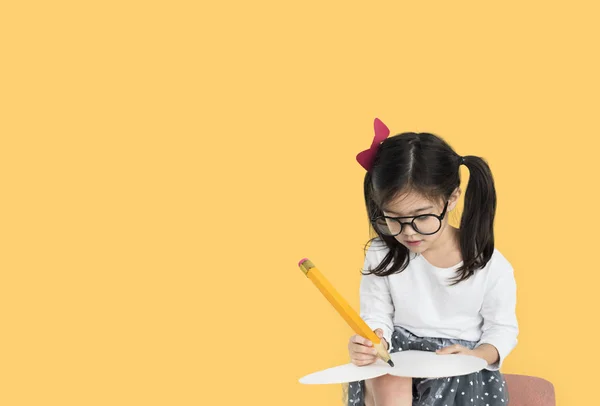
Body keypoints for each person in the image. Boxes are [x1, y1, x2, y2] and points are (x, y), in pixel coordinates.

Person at [343, 118, 518, 406]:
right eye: (394, 219)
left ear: (451, 199)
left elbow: (503, 329)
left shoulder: (490, 264)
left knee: (451, 378)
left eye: (422, 217)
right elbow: (376, 314)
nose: (408, 232)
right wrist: (373, 342)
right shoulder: (381, 252)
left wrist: (479, 355)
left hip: (456, 364)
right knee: (384, 374)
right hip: (397, 358)